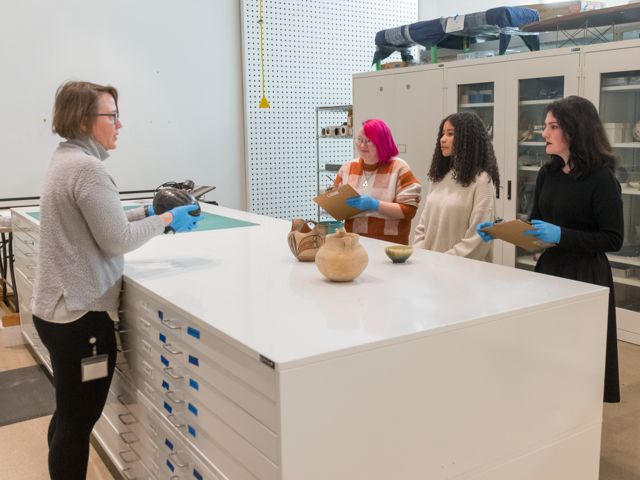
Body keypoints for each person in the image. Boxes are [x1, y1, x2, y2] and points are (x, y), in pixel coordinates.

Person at [31, 80, 204, 479]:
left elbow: (98, 226)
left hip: (56, 311)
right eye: (112, 115)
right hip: (80, 316)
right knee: (77, 424)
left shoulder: (65, 160)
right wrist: (167, 220)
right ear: (85, 120)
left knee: (68, 410)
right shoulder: (88, 169)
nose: (119, 125)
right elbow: (116, 241)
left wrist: (147, 211)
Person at [477, 95, 623, 403]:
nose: (544, 134)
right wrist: (503, 230)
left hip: (585, 277)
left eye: (553, 126)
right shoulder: (548, 173)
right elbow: (536, 227)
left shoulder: (602, 179)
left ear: (575, 130)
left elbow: (613, 238)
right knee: (548, 354)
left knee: (580, 359)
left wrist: (562, 235)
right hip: (550, 272)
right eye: (546, 126)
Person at [413, 112, 499, 260]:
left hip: (461, 271)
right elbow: (422, 226)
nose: (442, 139)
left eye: (450, 134)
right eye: (442, 133)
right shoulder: (438, 178)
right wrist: (420, 254)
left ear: (467, 140)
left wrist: (441, 260)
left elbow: (476, 241)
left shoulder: (481, 181)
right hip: (429, 267)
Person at [333, 119, 421, 245]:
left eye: (369, 141)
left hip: (390, 244)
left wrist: (375, 205)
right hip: (354, 243)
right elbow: (337, 207)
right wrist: (336, 204)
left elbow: (408, 211)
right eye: (359, 139)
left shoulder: (399, 168)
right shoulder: (347, 168)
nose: (362, 145)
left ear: (381, 143)